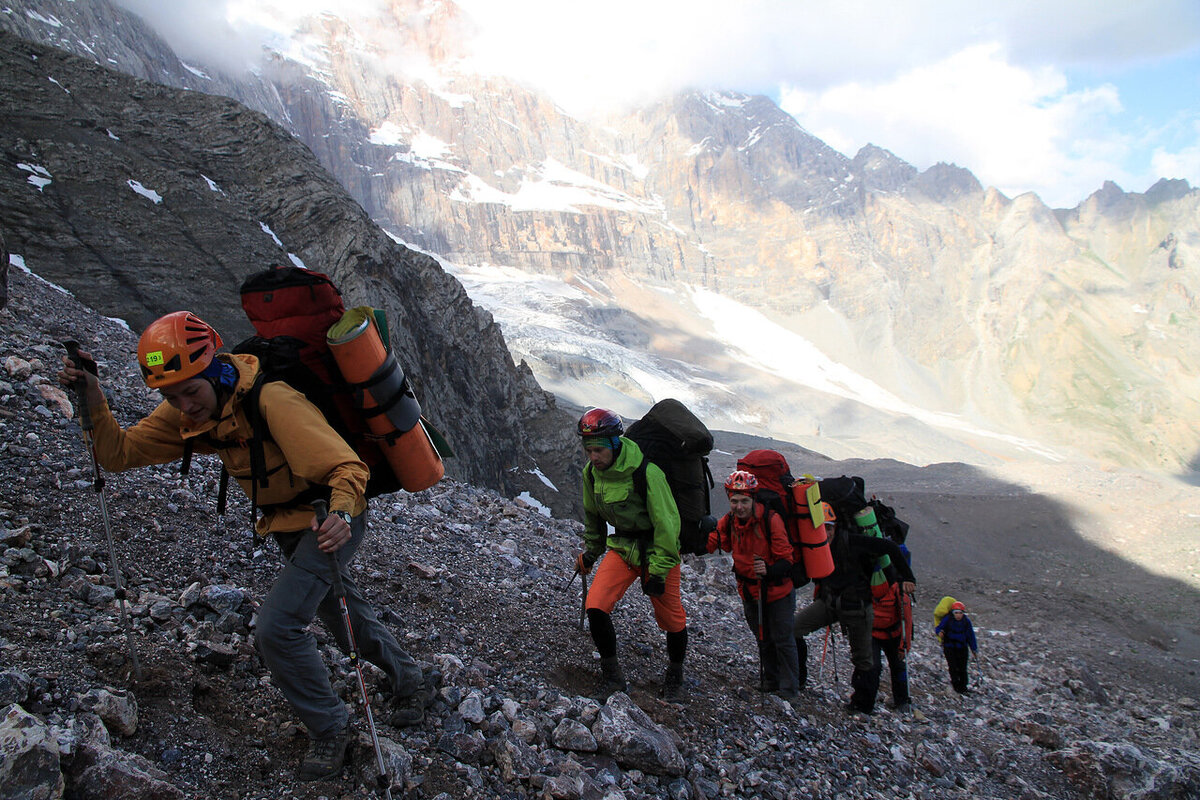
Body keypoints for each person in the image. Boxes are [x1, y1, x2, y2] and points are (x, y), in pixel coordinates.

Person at [58, 311, 429, 781]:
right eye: (170, 396)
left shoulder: (272, 400)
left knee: (276, 629)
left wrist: (338, 515)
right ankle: (412, 680)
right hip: (286, 525)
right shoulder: (192, 408)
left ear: (215, 370)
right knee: (340, 610)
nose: (183, 407)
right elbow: (118, 453)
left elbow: (347, 468)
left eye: (189, 392)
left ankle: (331, 727)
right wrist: (91, 392)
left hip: (328, 518)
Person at [574, 408, 688, 698]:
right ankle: (612, 677)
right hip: (623, 547)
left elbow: (667, 524)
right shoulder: (591, 474)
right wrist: (591, 552)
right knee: (596, 605)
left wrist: (660, 571)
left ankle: (675, 678)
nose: (593, 457)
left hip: (657, 551)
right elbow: (593, 517)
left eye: (598, 450)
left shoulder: (646, 472)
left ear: (615, 444)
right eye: (589, 451)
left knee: (672, 619)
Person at [793, 503, 916, 715]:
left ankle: (862, 706)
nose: (825, 532)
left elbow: (890, 548)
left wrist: (907, 577)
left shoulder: (854, 542)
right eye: (822, 528)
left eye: (829, 528)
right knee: (793, 629)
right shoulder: (815, 546)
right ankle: (798, 680)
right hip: (830, 604)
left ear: (836, 527)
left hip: (858, 607)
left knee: (863, 660)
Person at [708, 470, 799, 699]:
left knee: (783, 640)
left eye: (744, 501)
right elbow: (717, 542)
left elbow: (787, 559)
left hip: (777, 591)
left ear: (753, 499)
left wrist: (768, 570)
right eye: (734, 501)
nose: (739, 506)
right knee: (763, 637)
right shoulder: (729, 520)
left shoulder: (771, 520)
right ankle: (770, 680)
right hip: (749, 590)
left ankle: (789, 691)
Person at [870, 582, 911, 712]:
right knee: (872, 667)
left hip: (893, 635)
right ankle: (867, 700)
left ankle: (902, 700)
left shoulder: (897, 590)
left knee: (898, 666)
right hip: (874, 634)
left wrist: (904, 645)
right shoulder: (865, 584)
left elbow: (907, 620)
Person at [934, 600, 978, 693]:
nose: (958, 615)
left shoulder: (966, 622)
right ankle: (956, 685)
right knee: (953, 666)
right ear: (952, 613)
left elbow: (970, 636)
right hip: (949, 647)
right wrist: (939, 632)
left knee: (962, 667)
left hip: (962, 647)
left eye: (960, 613)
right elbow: (938, 628)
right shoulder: (947, 619)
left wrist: (974, 649)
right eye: (956, 613)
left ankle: (963, 686)